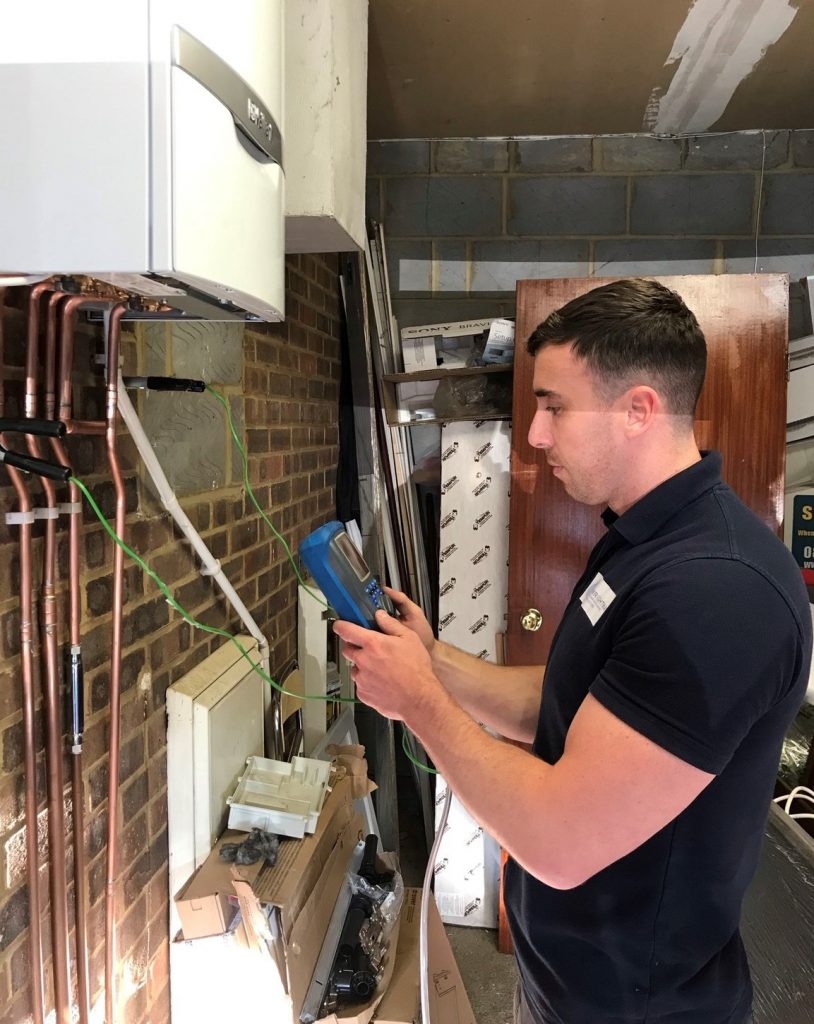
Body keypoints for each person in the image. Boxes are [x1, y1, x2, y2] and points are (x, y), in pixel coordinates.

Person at [333, 279, 813, 1024]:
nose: (535, 434)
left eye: (555, 405)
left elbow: (560, 841)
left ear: (639, 410)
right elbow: (572, 703)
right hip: (565, 982)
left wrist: (419, 704)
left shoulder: (715, 591)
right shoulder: (640, 539)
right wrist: (433, 662)